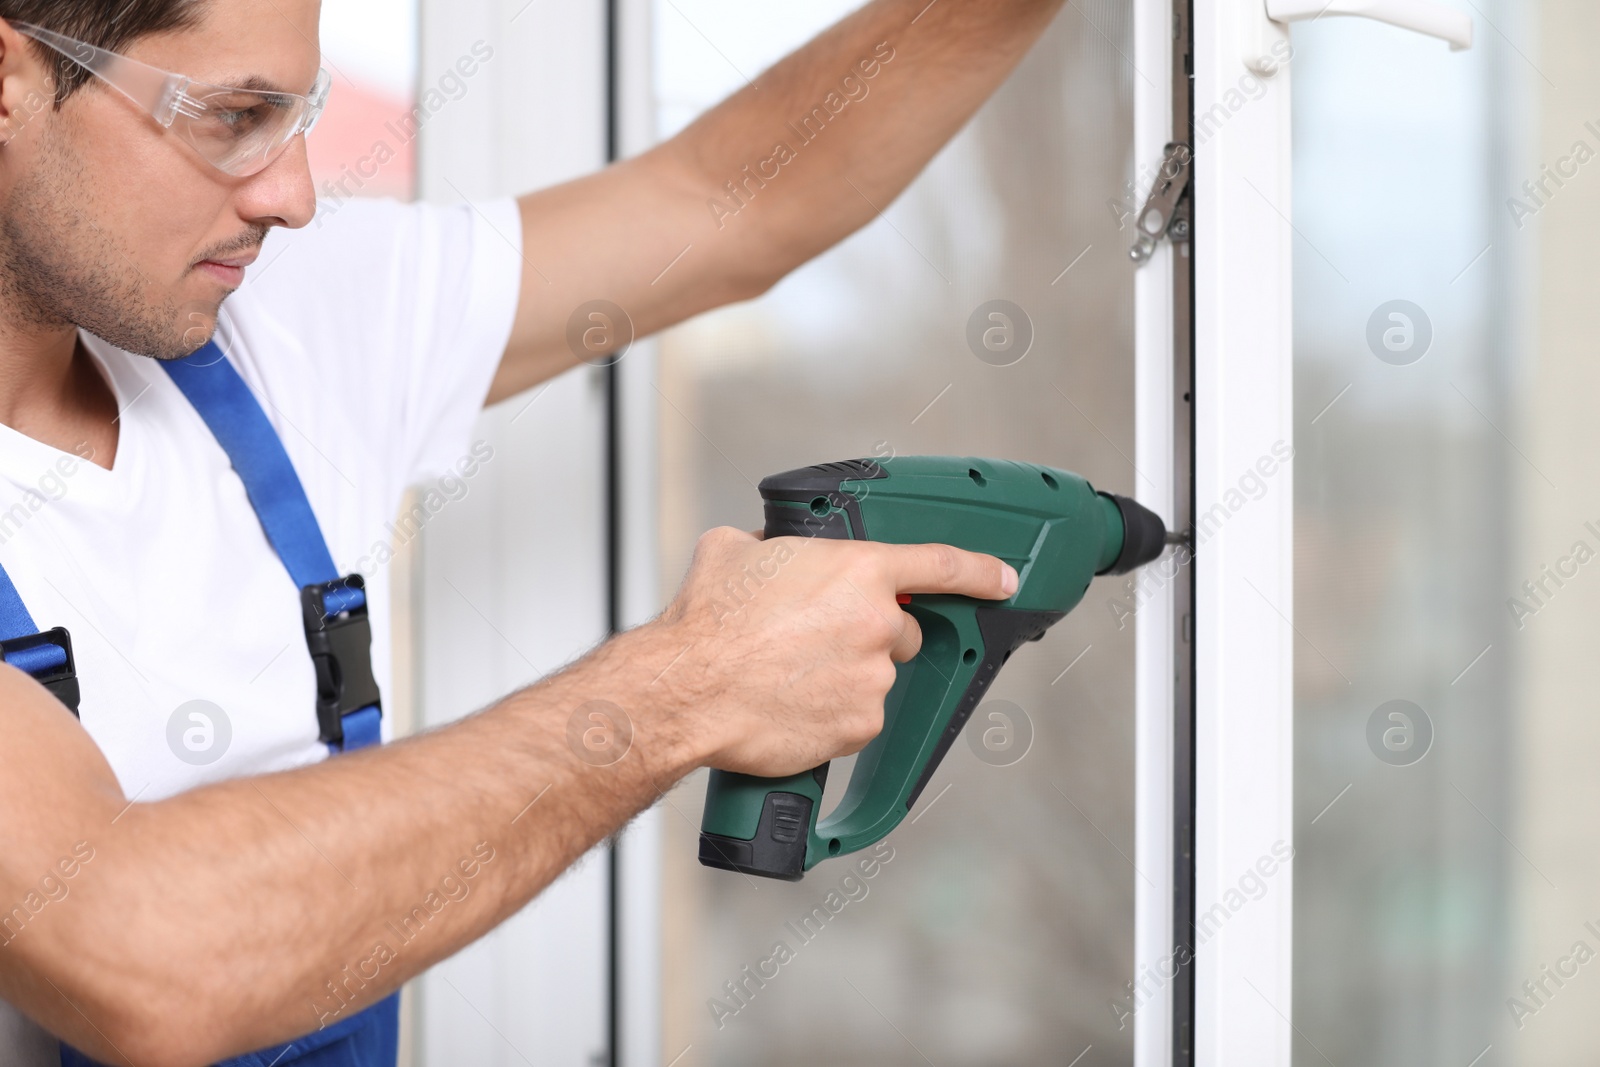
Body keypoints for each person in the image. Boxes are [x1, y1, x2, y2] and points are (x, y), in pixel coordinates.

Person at [0, 0, 1062, 1063]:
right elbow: (142, 949)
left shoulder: (267, 312)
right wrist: (685, 685)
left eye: (297, 117)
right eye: (233, 115)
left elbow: (733, 200)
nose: (294, 196)